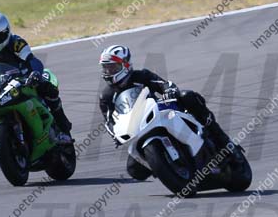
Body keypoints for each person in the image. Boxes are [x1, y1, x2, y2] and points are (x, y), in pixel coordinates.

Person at [98, 45, 237, 179]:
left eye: (112, 67)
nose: (108, 72)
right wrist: (115, 134)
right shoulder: (106, 96)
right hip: (137, 127)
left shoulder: (142, 76)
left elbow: (164, 84)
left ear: (126, 65)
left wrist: (169, 90)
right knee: (134, 170)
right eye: (106, 68)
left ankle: (222, 139)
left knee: (187, 96)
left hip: (159, 112)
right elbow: (109, 121)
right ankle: (167, 166)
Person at [0, 11, 73, 142]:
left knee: (48, 87)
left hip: (22, 80)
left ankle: (62, 127)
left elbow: (32, 61)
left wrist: (35, 74)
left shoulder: (17, 43)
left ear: (7, 32)